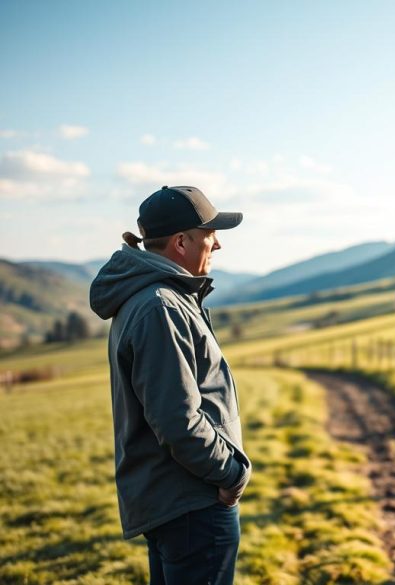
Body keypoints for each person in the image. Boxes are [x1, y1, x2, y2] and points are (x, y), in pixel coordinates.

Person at [89, 185, 250, 585]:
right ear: (181, 242)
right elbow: (177, 418)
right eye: (210, 234)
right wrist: (230, 475)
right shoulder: (160, 306)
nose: (217, 245)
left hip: (176, 503)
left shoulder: (153, 299)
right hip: (193, 504)